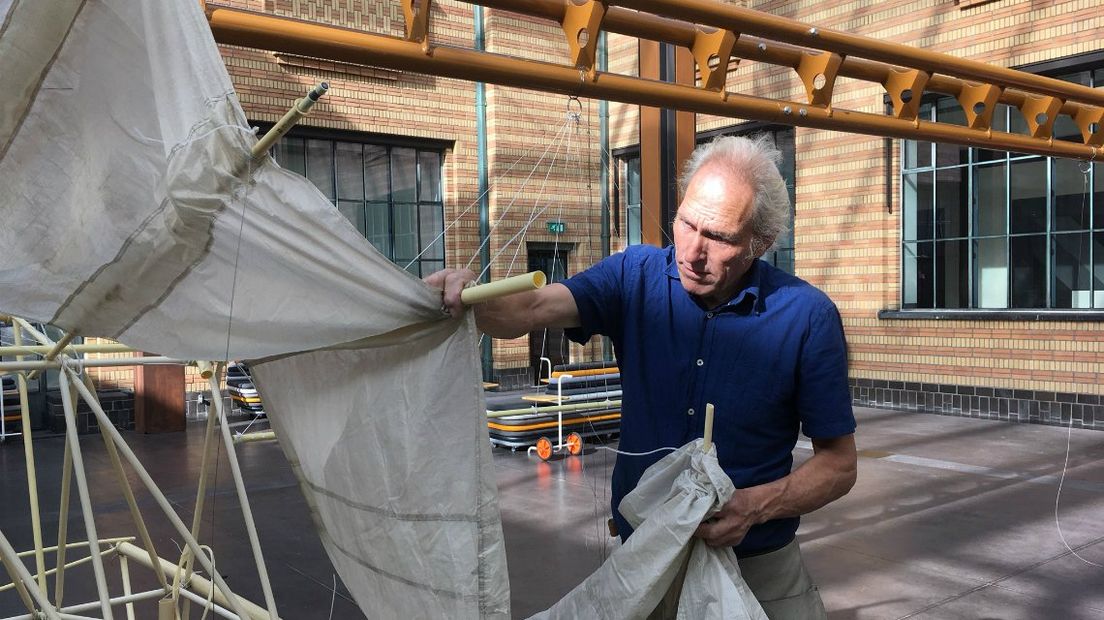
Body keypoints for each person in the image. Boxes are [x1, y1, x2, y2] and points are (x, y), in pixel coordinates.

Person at [427, 134, 857, 619]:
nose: (692, 251)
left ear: (761, 242)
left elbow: (839, 466)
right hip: (645, 561)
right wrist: (468, 298)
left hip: (757, 569)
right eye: (687, 223)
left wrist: (753, 506)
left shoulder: (806, 316)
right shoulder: (635, 276)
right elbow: (529, 306)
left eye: (718, 238)